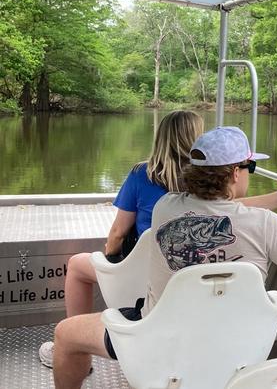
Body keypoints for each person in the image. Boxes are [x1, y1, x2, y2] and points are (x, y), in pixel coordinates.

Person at [50, 126, 277, 389]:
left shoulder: (165, 207)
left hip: (158, 350)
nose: (249, 173)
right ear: (236, 173)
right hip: (237, 354)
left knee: (65, 334)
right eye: (251, 167)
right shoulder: (266, 225)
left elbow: (217, 207)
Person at [39, 110, 204, 367]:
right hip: (188, 282)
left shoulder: (142, 174)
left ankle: (76, 353)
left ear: (161, 137)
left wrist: (110, 260)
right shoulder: (208, 182)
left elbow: (118, 233)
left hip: (140, 280)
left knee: (76, 266)